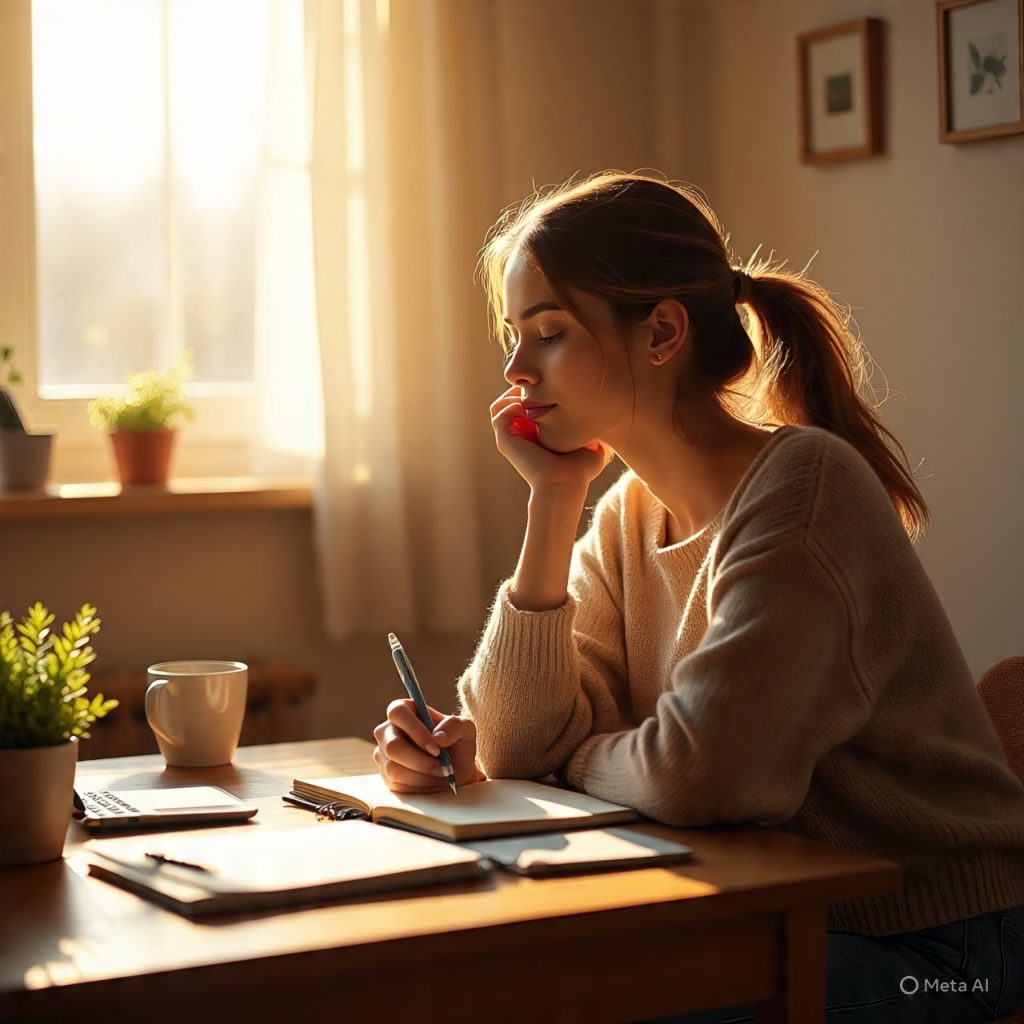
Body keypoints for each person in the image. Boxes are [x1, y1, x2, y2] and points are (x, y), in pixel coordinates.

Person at [371, 170, 1024, 1023]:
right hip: (771, 911)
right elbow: (516, 741)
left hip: (942, 943)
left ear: (663, 333)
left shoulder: (806, 490)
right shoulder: (626, 515)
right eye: (513, 334)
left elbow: (703, 776)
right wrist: (552, 500)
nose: (515, 366)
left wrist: (580, 755)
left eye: (550, 332)